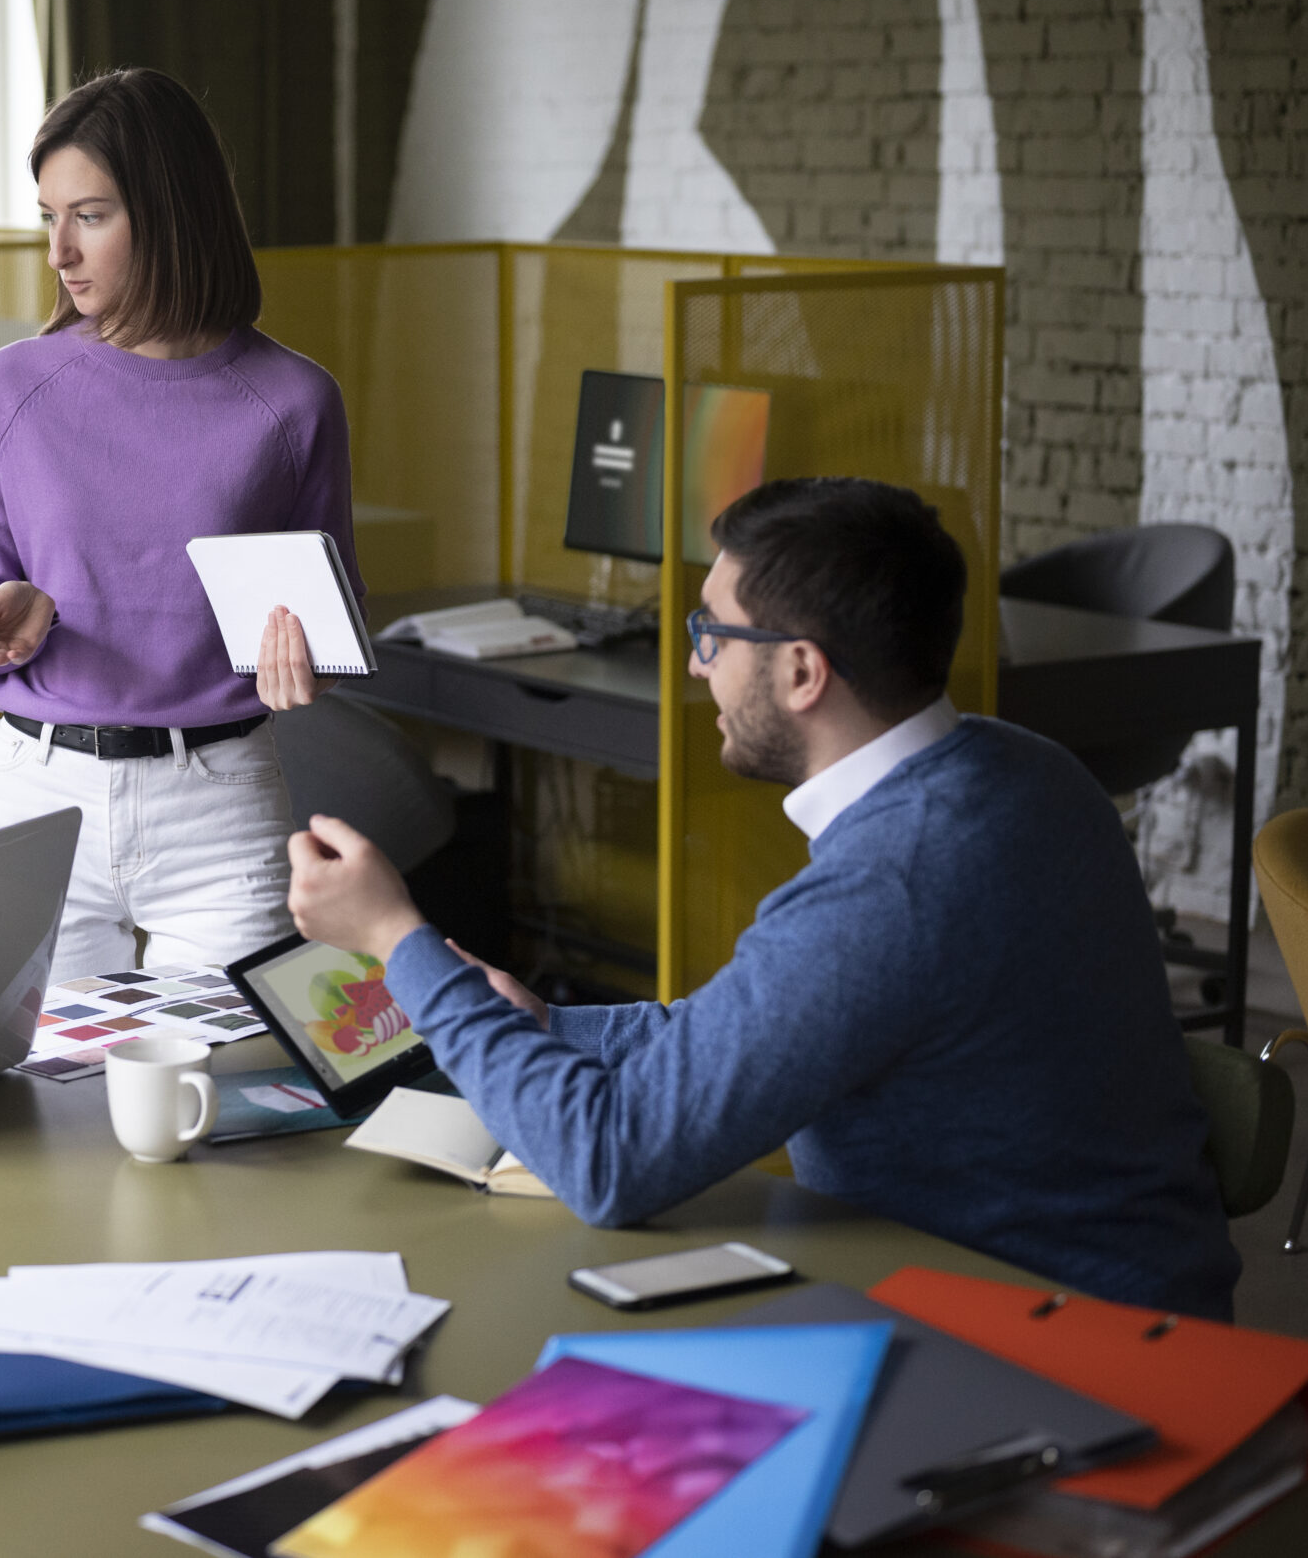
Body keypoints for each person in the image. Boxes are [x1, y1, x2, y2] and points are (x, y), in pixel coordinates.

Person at [286, 477, 1241, 1319]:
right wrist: (550, 1024)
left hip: (1050, 1350)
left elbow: (606, 1161)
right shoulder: (1020, 767)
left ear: (800, 671)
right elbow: (748, 1028)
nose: (696, 661)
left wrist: (394, 932)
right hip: (1102, 1297)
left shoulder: (892, 884)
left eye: (712, 632)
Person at [0, 67, 361, 980]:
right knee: (35, 1093)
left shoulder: (294, 401)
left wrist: (307, 665)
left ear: (170, 214)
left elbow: (329, 628)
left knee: (226, 1092)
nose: (59, 251)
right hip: (36, 791)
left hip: (219, 806)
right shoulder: (12, 385)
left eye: (89, 215)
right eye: (47, 215)